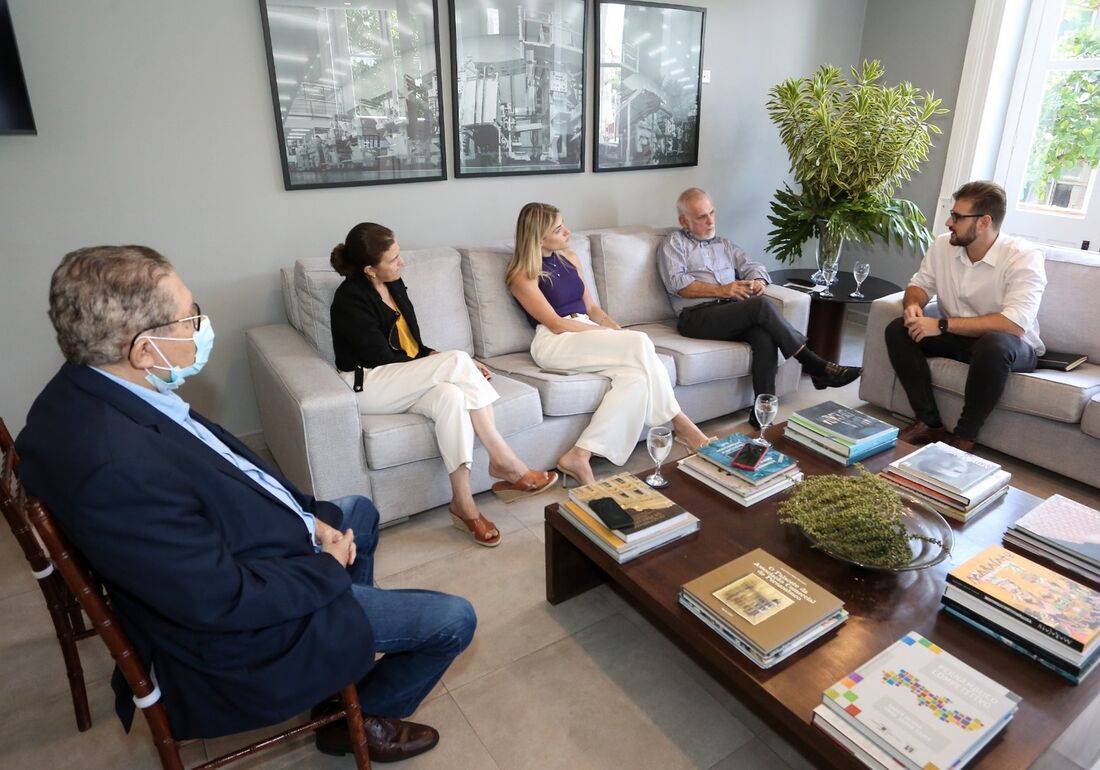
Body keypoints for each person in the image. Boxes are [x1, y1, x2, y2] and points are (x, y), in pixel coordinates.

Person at [16, 245, 476, 762]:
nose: (200, 325)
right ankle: (352, 718)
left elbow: (223, 469)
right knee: (453, 619)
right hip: (249, 632)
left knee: (358, 514)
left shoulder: (92, 388)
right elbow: (220, 599)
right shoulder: (115, 466)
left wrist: (306, 517)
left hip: (243, 545)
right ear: (144, 350)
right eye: (189, 316)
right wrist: (325, 569)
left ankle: (344, 660)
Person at [330, 223, 556, 547]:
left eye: (398, 255)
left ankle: (463, 504)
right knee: (458, 361)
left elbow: (413, 347)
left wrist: (442, 363)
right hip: (368, 383)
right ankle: (505, 461)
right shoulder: (349, 300)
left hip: (401, 379)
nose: (401, 262)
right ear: (369, 269)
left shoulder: (393, 283)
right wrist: (451, 365)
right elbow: (383, 359)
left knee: (451, 396)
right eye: (393, 259)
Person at [506, 202, 715, 486]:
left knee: (636, 378)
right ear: (539, 238)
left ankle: (579, 455)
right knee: (640, 341)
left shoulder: (570, 258)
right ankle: (684, 427)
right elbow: (555, 323)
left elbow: (592, 309)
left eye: (563, 224)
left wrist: (615, 330)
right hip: (555, 341)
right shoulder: (522, 275)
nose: (567, 231)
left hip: (586, 330)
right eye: (558, 229)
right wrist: (612, 336)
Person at [657, 188, 862, 427]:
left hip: (729, 312)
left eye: (712, 213)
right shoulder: (674, 243)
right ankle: (814, 363)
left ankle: (762, 414)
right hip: (695, 317)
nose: (711, 221)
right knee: (761, 306)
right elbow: (678, 284)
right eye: (702, 217)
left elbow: (753, 266)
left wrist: (758, 281)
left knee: (763, 336)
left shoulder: (724, 244)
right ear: (684, 221)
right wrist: (723, 290)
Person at [885, 181, 1046, 451]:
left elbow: (1014, 324)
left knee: (994, 344)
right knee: (898, 329)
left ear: (984, 222)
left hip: (1011, 348)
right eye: (952, 214)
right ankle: (929, 423)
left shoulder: (1023, 257)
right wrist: (913, 305)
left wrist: (941, 325)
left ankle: (964, 436)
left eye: (958, 217)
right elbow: (919, 285)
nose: (949, 222)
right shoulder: (943, 246)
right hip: (958, 337)